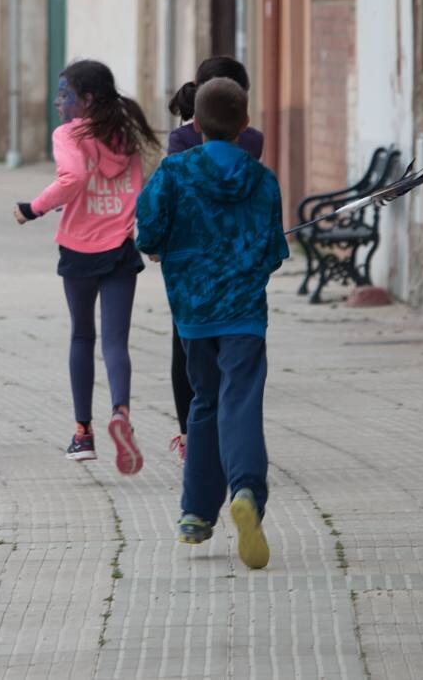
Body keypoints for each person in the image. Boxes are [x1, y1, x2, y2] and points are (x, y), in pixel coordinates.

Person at [136, 77, 288, 570]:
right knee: (239, 398)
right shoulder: (262, 179)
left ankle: (197, 514)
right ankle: (245, 490)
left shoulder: (175, 171)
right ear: (245, 125)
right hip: (244, 311)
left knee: (204, 400)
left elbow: (149, 232)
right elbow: (273, 252)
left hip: (193, 312)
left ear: (195, 124)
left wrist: (165, 247)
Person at [14, 59, 160, 476]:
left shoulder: (68, 134)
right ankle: (121, 412)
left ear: (87, 99)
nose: (59, 103)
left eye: (65, 95)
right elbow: (138, 188)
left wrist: (33, 208)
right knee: (116, 342)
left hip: (79, 248)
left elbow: (73, 176)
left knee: (81, 336)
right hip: (119, 247)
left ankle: (83, 434)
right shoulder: (125, 135)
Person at [164, 57, 265, 466]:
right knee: (231, 357)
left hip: (191, 267)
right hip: (237, 266)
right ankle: (213, 438)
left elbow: (167, 207)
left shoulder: (181, 144)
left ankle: (197, 434)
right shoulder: (251, 140)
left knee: (187, 349)